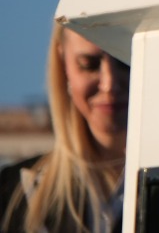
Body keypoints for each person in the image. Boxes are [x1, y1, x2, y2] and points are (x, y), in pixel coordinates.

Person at [1, 26, 128, 233]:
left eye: (125, 60)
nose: (110, 84)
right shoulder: (15, 193)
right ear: (63, 64)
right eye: (89, 64)